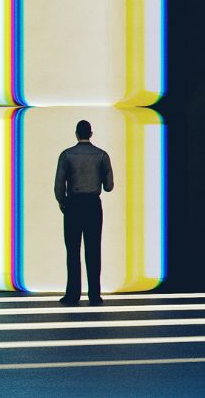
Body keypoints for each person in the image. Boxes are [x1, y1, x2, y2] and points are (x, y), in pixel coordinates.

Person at [54, 119, 113, 306]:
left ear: (76, 134)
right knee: (93, 250)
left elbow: (58, 185)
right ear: (91, 134)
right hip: (93, 205)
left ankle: (72, 294)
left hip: (73, 204)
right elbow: (109, 186)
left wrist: (63, 203)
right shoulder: (102, 155)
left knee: (72, 251)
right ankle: (94, 295)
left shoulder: (67, 155)